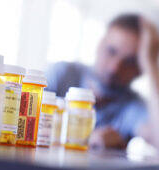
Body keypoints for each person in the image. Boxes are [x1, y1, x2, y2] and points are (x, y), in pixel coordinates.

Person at [46, 14, 159, 149]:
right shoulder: (62, 74)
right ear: (99, 45)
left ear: (141, 70)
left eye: (130, 62)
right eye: (111, 51)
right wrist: (86, 139)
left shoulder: (132, 106)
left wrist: (151, 65)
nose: (114, 68)